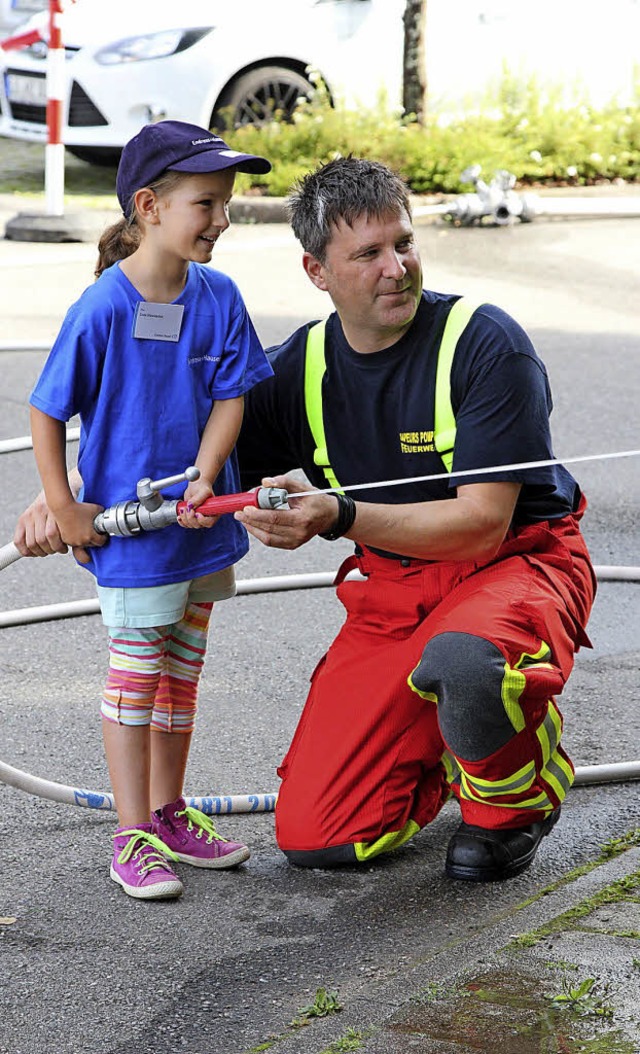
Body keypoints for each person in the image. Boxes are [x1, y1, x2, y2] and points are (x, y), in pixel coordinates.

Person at [16, 157, 596, 883]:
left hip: (517, 566)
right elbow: (193, 453)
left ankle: (516, 800)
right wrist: (69, 495)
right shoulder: (300, 369)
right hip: (397, 588)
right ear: (317, 271)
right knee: (320, 836)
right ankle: (455, 739)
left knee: (465, 662)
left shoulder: (482, 344)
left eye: (404, 243)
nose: (397, 268)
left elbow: (481, 526)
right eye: (369, 253)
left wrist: (338, 514)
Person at [25, 120, 274, 900]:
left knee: (181, 676)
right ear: (150, 206)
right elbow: (46, 411)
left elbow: (230, 395)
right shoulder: (102, 307)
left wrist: (205, 477)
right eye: (207, 203)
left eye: (226, 203)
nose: (222, 220)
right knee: (136, 680)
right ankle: (131, 832)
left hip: (199, 537)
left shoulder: (219, 297)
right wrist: (64, 507)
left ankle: (169, 811)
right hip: (131, 542)